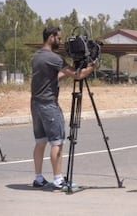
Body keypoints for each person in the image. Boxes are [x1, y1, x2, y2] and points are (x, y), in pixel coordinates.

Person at [31, 26, 96, 189]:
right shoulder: (54, 58)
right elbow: (78, 75)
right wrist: (92, 67)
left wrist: (68, 73)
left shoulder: (37, 56)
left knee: (40, 142)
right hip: (49, 104)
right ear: (51, 37)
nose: (60, 42)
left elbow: (53, 76)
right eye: (59, 38)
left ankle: (38, 178)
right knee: (57, 142)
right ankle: (58, 179)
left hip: (36, 103)